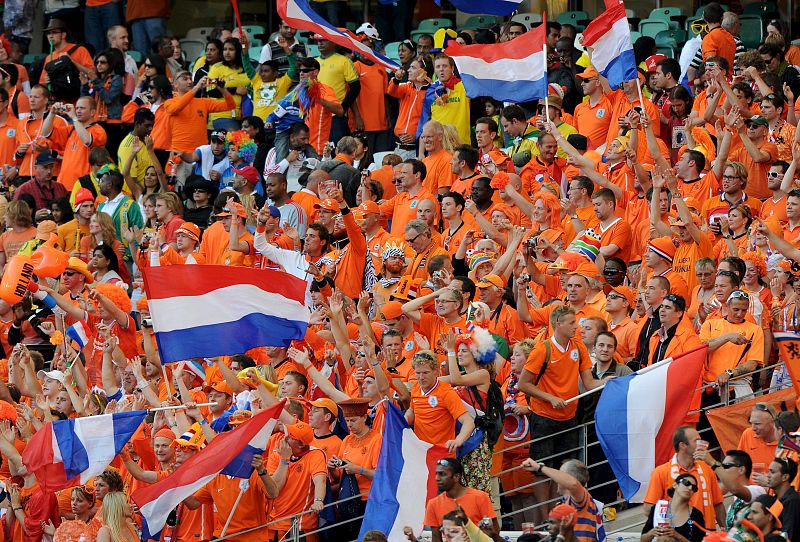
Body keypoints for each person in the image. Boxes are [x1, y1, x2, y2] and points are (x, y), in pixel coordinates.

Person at [643, 426, 725, 530]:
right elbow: (647, 509)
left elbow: (717, 503)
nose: (702, 444)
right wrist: (669, 522)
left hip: (707, 533)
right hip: (677, 534)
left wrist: (724, 529)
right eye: (696, 441)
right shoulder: (661, 472)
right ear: (682, 445)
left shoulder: (707, 468)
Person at [423, 457, 498, 542]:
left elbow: (495, 532)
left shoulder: (480, 497)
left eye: (442, 474)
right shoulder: (433, 504)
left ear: (456, 477)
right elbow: (436, 539)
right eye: (436, 474)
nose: (437, 478)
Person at [48, 97, 107, 191]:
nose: (78, 111)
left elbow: (87, 140)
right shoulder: (71, 129)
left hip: (83, 186)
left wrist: (74, 118)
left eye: (82, 108)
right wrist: (52, 113)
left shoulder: (98, 130)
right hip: (63, 185)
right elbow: (46, 132)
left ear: (92, 112)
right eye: (77, 108)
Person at [641, 473, 706, 542]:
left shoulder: (696, 515)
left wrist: (677, 535)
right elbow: (643, 539)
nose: (690, 488)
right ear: (675, 485)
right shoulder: (658, 508)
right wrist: (652, 532)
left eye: (694, 488)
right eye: (686, 483)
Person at [767, 457, 800, 542]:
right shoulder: (775, 498)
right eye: (768, 471)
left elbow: (786, 536)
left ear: (785, 477)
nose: (768, 475)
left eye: (772, 472)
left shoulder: (792, 500)